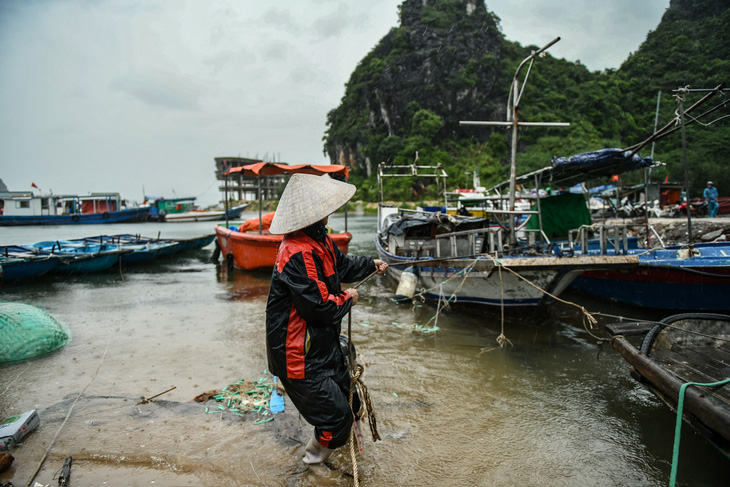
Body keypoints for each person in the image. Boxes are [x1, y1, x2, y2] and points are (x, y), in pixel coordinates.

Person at [265, 173, 388, 465]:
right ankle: (313, 462)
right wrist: (350, 297)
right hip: (298, 354)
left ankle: (345, 450)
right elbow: (320, 308)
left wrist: (371, 264)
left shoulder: (320, 238)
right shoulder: (296, 252)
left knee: (351, 400)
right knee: (336, 418)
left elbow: (342, 265)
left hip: (320, 343)